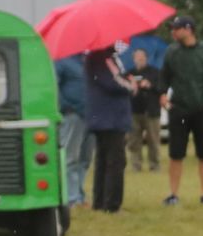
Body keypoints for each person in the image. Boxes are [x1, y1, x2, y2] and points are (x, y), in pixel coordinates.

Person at [160, 15, 203, 205]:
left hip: (201, 111)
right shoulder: (171, 52)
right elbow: (164, 77)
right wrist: (162, 94)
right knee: (175, 154)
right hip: (178, 109)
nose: (173, 32)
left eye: (176, 28)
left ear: (188, 29)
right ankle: (173, 194)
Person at [83, 47, 135, 213]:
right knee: (115, 161)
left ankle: (99, 202)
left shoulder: (101, 57)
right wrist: (131, 86)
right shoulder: (102, 58)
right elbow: (112, 82)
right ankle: (112, 204)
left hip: (104, 117)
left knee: (103, 160)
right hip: (111, 118)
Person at [55, 53, 91, 208]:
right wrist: (65, 108)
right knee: (71, 157)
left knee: (85, 158)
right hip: (72, 115)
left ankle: (80, 195)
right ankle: (71, 198)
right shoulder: (61, 62)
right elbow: (54, 88)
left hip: (90, 115)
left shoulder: (86, 62)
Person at [127, 48, 163, 171]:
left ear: (146, 58)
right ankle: (136, 165)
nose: (140, 60)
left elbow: (161, 89)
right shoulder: (129, 74)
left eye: (142, 57)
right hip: (134, 111)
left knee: (153, 139)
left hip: (151, 111)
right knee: (134, 140)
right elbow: (123, 89)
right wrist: (132, 85)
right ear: (133, 59)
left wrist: (150, 85)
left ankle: (155, 164)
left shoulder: (155, 72)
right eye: (137, 58)